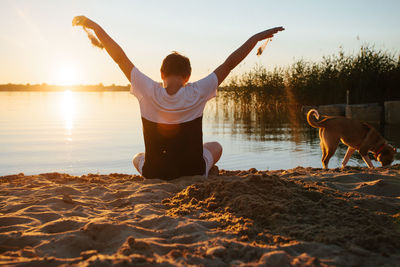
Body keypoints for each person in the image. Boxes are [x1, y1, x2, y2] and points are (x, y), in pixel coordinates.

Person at [73, 16, 284, 180]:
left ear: (162, 73)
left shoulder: (147, 89)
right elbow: (230, 63)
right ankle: (207, 169)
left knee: (137, 157)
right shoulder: (198, 91)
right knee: (216, 146)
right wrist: (257, 38)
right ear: (188, 76)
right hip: (193, 171)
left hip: (154, 173)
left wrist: (93, 25)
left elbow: (118, 57)